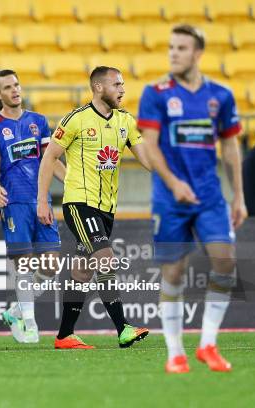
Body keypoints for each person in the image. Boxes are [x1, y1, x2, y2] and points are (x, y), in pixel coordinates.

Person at [137, 24, 246, 373]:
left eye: (181, 48)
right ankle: (175, 353)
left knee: (225, 260)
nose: (173, 53)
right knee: (174, 271)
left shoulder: (221, 95)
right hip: (170, 200)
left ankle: (208, 344)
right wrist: (172, 183)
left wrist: (239, 197)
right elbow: (150, 145)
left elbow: (230, 147)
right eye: (170, 47)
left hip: (210, 196)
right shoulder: (155, 93)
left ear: (197, 53)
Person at [37, 66, 151, 349]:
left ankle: (64, 335)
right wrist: (42, 199)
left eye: (123, 84)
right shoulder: (76, 119)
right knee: (105, 258)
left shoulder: (126, 121)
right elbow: (49, 156)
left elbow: (148, 159)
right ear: (98, 88)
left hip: (107, 208)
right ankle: (123, 328)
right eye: (116, 84)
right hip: (79, 203)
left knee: (82, 272)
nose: (122, 89)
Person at [0, 69, 64, 343]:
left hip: (41, 200)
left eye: (16, 85)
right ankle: (28, 322)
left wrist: (74, 184)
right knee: (24, 264)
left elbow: (50, 160)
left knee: (52, 264)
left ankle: (17, 309)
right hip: (14, 201)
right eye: (7, 87)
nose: (14, 90)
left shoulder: (38, 121)